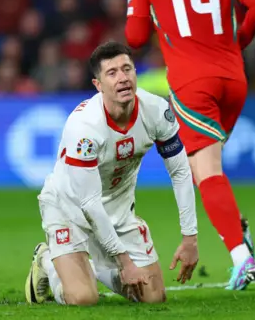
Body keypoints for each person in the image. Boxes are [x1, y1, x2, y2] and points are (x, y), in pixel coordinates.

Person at [124, 0, 255, 290]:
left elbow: (135, 38)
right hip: (234, 81)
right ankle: (236, 227)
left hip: (193, 83)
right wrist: (238, 42)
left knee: (207, 172)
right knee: (199, 167)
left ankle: (241, 256)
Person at [25, 42, 199, 306]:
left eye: (127, 69)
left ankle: (87, 269)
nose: (123, 78)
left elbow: (180, 171)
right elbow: (89, 203)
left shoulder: (156, 112)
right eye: (112, 73)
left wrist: (190, 238)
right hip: (70, 210)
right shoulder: (84, 127)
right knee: (83, 298)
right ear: (98, 84)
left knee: (153, 297)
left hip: (117, 212)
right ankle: (48, 260)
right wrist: (125, 262)